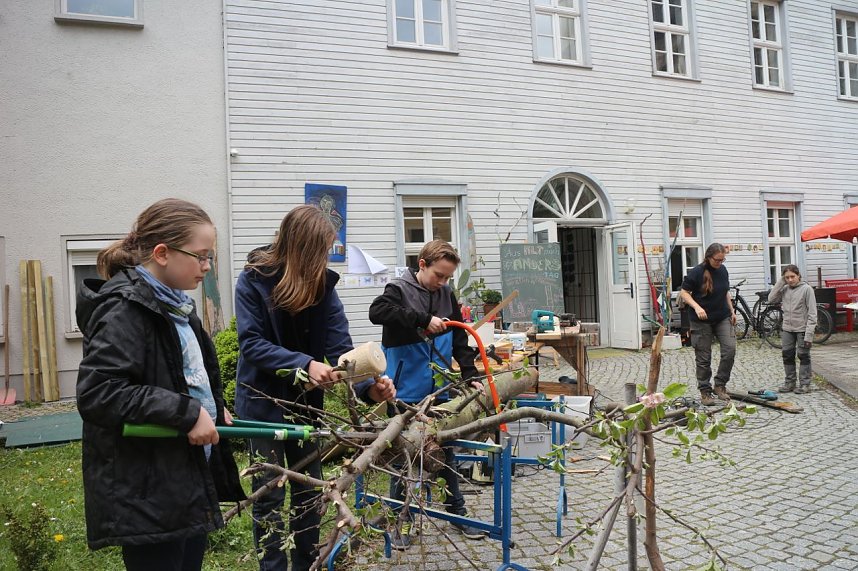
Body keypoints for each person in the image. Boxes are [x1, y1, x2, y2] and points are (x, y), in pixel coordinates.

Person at [76, 198, 245, 571]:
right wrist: (187, 412)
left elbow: (176, 373)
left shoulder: (176, 306)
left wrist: (212, 406)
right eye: (200, 256)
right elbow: (100, 392)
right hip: (148, 490)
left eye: (210, 257)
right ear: (162, 253)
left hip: (181, 477)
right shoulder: (124, 308)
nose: (206, 267)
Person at [234, 204, 395, 571]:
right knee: (270, 494)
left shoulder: (324, 287)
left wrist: (370, 387)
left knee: (309, 490)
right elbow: (252, 344)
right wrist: (304, 364)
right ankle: (273, 567)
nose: (326, 257)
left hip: (305, 406)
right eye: (323, 249)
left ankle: (307, 563)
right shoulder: (254, 280)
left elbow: (342, 352)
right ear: (303, 246)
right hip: (262, 405)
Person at [366, 239, 487, 550]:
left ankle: (456, 514)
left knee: (446, 451)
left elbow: (460, 336)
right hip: (405, 389)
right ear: (422, 264)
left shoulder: (446, 293)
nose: (443, 282)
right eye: (438, 275)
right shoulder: (398, 288)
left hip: (440, 388)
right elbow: (376, 312)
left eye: (447, 277)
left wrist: (469, 373)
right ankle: (399, 521)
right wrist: (421, 319)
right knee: (404, 456)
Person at [679, 243, 737, 406]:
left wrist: (732, 311)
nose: (720, 263)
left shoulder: (723, 270)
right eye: (717, 260)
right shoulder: (697, 272)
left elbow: (725, 291)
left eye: (722, 259)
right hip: (701, 320)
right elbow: (684, 293)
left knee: (730, 350)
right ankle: (705, 391)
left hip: (722, 316)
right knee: (703, 357)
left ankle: (720, 385)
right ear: (709, 257)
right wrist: (697, 307)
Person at [768, 265, 817, 394]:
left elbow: (813, 314)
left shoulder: (807, 289)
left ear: (798, 275)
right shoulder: (784, 289)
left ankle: (805, 384)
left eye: (792, 277)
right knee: (787, 355)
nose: (790, 280)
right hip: (787, 328)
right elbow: (771, 299)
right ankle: (790, 383)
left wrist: (809, 334)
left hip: (802, 328)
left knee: (803, 355)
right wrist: (780, 282)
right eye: (787, 277)